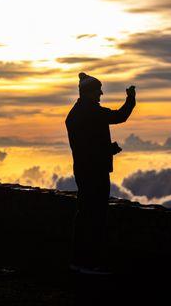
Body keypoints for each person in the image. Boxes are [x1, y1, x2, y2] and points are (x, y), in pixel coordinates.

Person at [65, 72, 136, 274]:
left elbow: (86, 145)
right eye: (98, 90)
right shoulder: (91, 112)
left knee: (84, 215)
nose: (101, 93)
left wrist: (106, 150)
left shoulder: (75, 113)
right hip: (94, 171)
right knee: (95, 217)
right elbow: (119, 116)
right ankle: (90, 263)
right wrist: (130, 99)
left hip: (83, 169)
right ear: (89, 92)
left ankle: (78, 260)